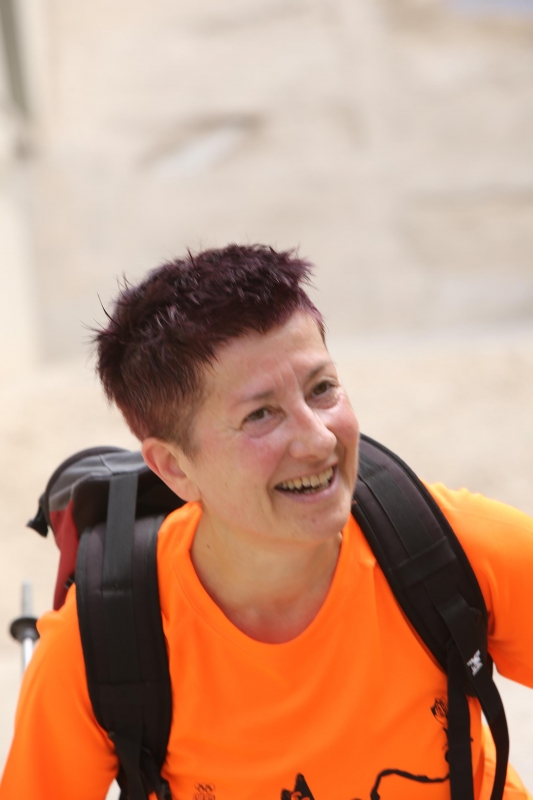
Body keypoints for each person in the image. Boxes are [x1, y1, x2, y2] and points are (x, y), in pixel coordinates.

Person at [1, 243, 533, 800]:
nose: (319, 440)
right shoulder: (103, 645)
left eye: (321, 389)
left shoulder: (450, 550)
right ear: (175, 467)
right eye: (261, 414)